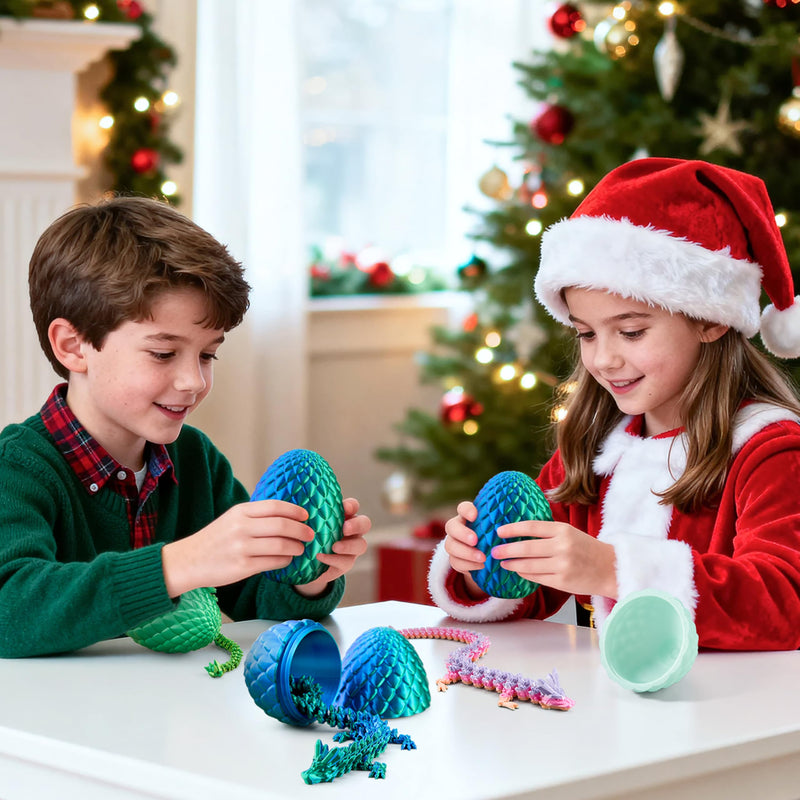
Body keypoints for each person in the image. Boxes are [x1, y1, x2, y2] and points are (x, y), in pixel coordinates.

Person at [429, 157, 800, 651]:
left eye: (631, 331)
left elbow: (784, 602)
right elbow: (530, 589)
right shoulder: (595, 449)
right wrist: (479, 569)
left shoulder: (770, 450)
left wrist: (614, 569)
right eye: (585, 333)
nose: (603, 359)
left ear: (710, 320)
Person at [0, 196, 370, 658]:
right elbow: (9, 610)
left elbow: (259, 602)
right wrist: (181, 563)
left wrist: (309, 577)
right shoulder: (18, 468)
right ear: (73, 346)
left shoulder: (195, 460)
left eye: (208, 354)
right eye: (162, 353)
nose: (193, 381)